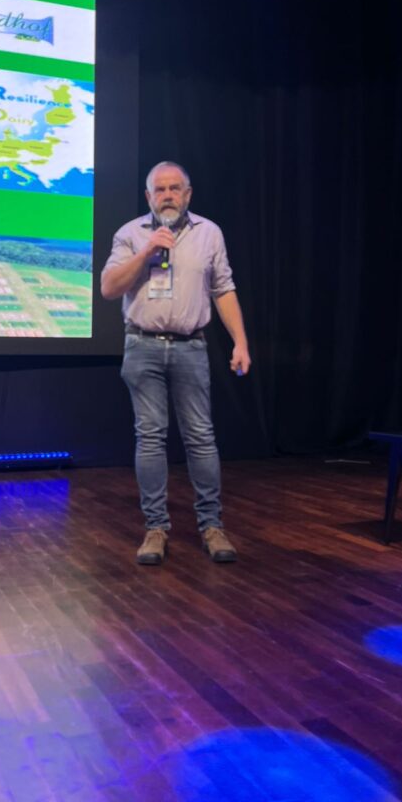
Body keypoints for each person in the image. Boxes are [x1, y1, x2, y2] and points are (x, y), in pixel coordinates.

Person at [101, 161, 251, 565]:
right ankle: (155, 529)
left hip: (191, 347)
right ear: (148, 196)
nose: (167, 195)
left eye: (174, 188)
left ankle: (212, 526)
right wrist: (147, 251)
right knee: (150, 437)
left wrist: (240, 341)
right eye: (159, 189)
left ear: (187, 194)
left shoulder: (209, 233)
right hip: (142, 345)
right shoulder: (130, 234)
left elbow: (224, 289)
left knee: (200, 436)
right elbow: (109, 288)